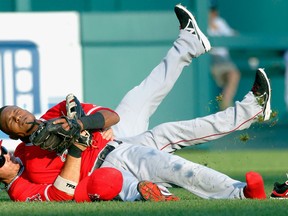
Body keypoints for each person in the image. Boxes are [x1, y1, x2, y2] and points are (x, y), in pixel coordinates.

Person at [0, 4, 271, 202]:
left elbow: (110, 117)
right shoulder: (29, 164)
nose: (18, 116)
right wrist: (76, 147)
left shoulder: (52, 115)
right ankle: (238, 188)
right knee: (169, 156)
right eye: (11, 120)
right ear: (13, 135)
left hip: (117, 136)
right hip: (110, 159)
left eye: (16, 110)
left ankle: (188, 44)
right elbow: (65, 192)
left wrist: (82, 123)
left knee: (138, 97)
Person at [208, 5, 241, 110]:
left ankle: (225, 104)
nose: (213, 14)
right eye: (211, 12)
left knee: (234, 75)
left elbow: (232, 35)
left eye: (214, 12)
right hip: (210, 62)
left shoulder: (219, 22)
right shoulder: (199, 25)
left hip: (225, 62)